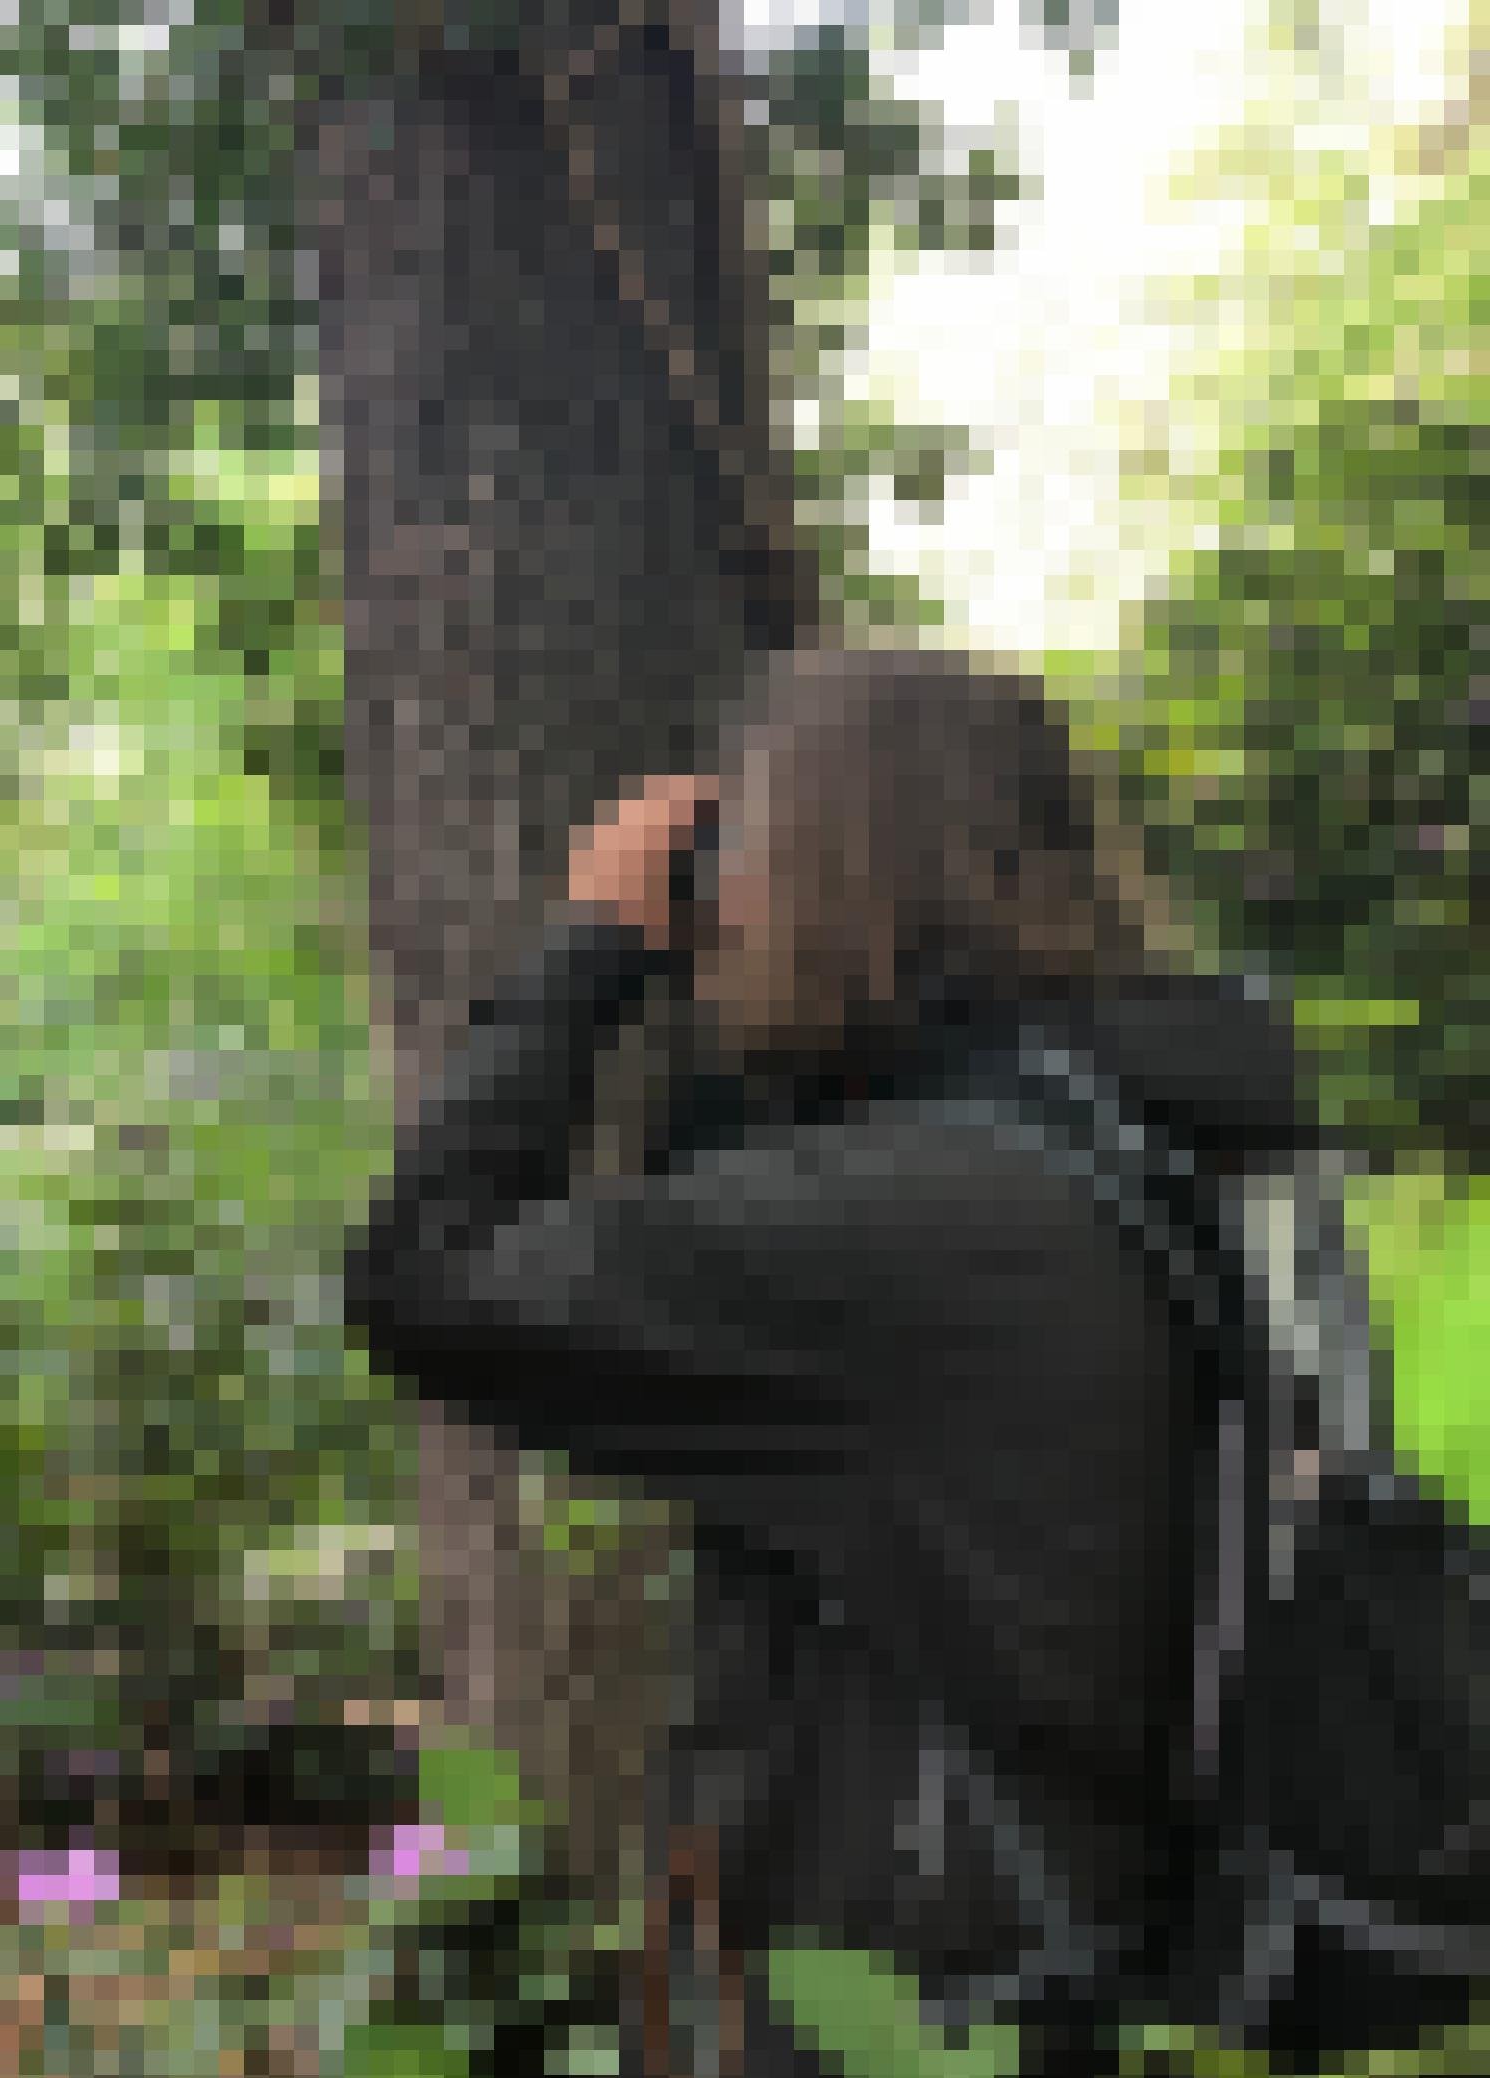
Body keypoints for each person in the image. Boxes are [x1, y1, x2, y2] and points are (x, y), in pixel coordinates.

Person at [344, 646, 1314, 2078]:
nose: (716, 908)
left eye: (743, 854)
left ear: (818, 881)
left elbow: (429, 1277)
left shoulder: (905, 1222)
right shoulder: (1142, 1151)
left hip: (873, 1993)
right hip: (1057, 1929)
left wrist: (597, 949)